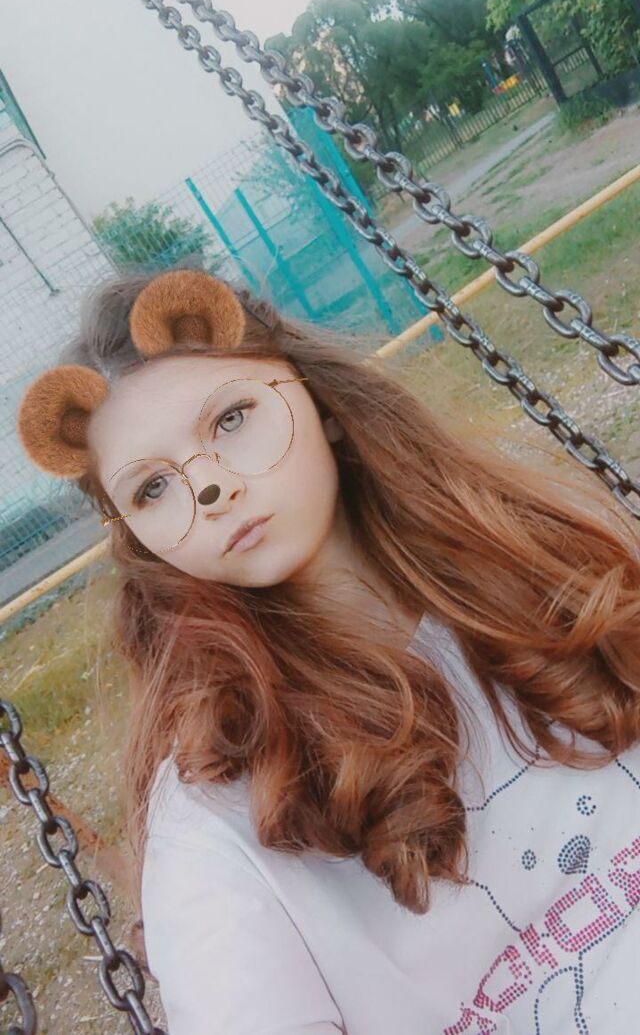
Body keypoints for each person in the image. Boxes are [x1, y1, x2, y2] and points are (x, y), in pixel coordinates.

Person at [17, 267, 640, 1035]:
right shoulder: (223, 814)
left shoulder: (536, 562)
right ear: (138, 539)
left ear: (317, 399)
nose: (209, 488)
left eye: (231, 418)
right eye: (152, 487)